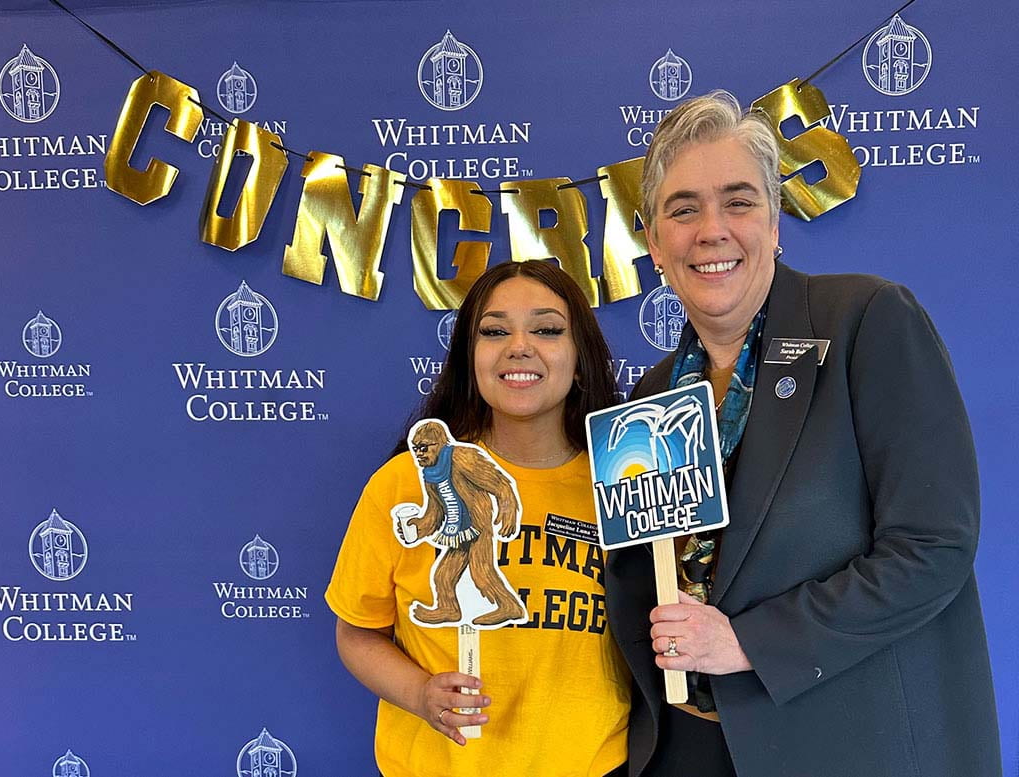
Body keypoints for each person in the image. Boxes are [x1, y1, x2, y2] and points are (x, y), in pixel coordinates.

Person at [605, 91, 1001, 777]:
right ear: (654, 244)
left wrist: (749, 642)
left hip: (847, 745)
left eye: (739, 201)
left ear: (777, 220)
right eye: (684, 208)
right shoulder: (651, 397)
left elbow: (934, 546)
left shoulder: (866, 321)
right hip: (687, 747)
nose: (712, 229)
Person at [327, 260, 630, 777]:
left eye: (547, 329)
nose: (519, 345)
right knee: (451, 578)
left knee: (484, 576)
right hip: (437, 766)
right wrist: (420, 694)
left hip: (596, 766)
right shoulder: (399, 482)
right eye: (494, 331)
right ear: (470, 359)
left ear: (580, 360)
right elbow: (356, 633)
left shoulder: (623, 483)